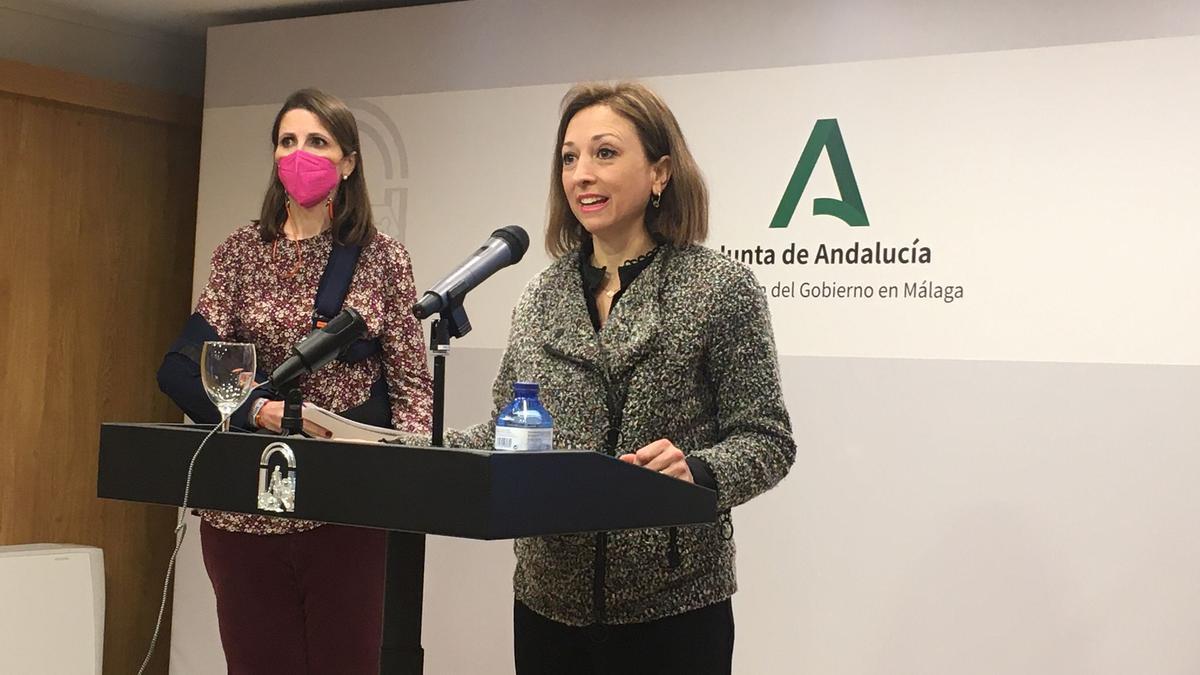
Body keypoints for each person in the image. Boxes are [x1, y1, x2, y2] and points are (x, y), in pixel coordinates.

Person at [441, 82, 796, 675]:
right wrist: (414, 446)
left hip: (674, 610)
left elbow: (768, 439)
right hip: (549, 602)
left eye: (604, 153)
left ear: (660, 172)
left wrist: (699, 471)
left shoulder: (720, 289)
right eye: (569, 158)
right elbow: (512, 433)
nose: (582, 174)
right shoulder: (539, 296)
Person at [157, 88, 432, 674]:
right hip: (243, 508)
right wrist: (259, 410)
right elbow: (184, 368)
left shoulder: (382, 260)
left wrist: (404, 478)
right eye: (287, 141)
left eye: (317, 142)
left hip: (344, 508)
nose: (299, 154)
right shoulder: (240, 253)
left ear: (349, 161)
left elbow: (411, 389)